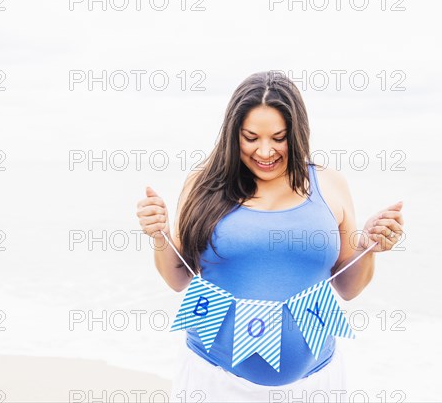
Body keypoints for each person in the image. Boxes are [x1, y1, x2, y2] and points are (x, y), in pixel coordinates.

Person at [136, 71, 405, 402]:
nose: (265, 151)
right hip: (213, 381)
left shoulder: (331, 184)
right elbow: (178, 279)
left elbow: (348, 288)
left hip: (317, 383)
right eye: (251, 137)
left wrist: (369, 246)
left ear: (298, 133)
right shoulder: (203, 185)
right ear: (234, 134)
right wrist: (159, 234)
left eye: (279, 138)